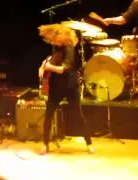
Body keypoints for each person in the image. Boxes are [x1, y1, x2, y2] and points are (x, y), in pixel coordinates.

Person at [38, 24, 94, 155]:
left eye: (53, 38)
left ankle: (89, 143)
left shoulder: (69, 49)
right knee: (48, 115)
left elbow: (64, 69)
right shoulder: (56, 47)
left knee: (78, 116)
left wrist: (48, 67)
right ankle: (45, 144)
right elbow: (51, 60)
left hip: (70, 86)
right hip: (56, 87)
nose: (52, 41)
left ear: (61, 37)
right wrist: (42, 66)